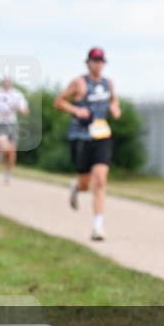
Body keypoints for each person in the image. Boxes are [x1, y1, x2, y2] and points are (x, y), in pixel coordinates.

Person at [54, 47, 121, 241]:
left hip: (102, 135)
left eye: (101, 61)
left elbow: (114, 101)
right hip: (81, 136)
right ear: (88, 63)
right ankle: (76, 186)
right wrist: (75, 110)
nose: (98, 64)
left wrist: (115, 109)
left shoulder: (109, 83)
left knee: (100, 180)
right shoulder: (79, 83)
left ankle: (97, 227)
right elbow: (58, 101)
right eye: (94, 60)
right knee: (85, 183)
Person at [0, 76, 29, 184]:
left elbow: (25, 111)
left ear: (11, 83)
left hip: (12, 124)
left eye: (9, 82)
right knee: (4, 147)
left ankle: (8, 173)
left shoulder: (17, 94)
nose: (7, 84)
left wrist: (17, 108)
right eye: (5, 82)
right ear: (2, 83)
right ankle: (1, 151)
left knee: (12, 152)